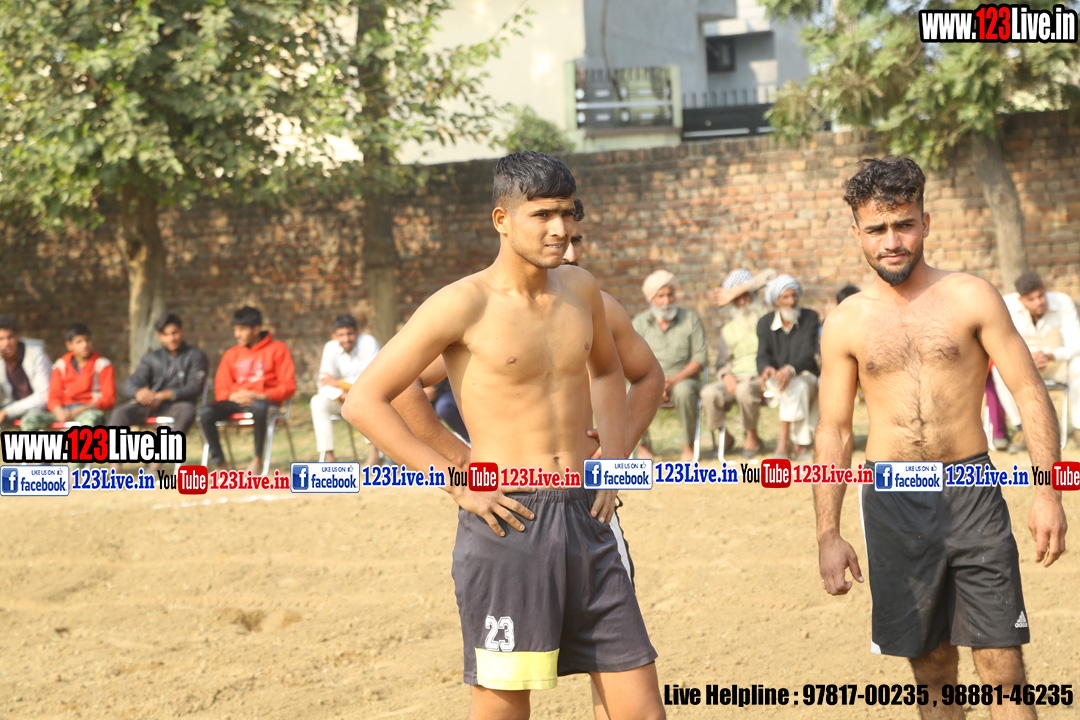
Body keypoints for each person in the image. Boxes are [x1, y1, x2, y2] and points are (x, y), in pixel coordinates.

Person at [343, 152, 664, 720]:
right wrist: (457, 477)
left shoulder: (582, 289)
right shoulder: (463, 303)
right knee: (504, 709)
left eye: (567, 213)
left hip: (588, 513)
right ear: (502, 220)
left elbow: (611, 372)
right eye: (542, 215)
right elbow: (365, 400)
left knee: (640, 708)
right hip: (508, 519)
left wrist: (615, 462)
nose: (559, 228)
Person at [815, 155, 1067, 718]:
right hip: (892, 496)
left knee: (1003, 665)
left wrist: (1047, 493)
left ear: (926, 223)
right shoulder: (847, 321)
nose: (892, 241)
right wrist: (828, 533)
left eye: (903, 224)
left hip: (971, 488)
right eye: (877, 229)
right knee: (930, 667)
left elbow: (1029, 392)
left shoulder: (972, 296)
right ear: (857, 233)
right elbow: (834, 430)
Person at [199, 306, 295, 473]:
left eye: (242, 329)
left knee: (259, 407)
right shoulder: (231, 354)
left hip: (265, 403)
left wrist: (262, 395)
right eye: (235, 329)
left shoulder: (278, 349)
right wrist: (232, 396)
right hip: (236, 402)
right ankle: (221, 465)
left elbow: (289, 387)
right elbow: (220, 388)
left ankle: (257, 460)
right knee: (205, 412)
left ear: (256, 329)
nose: (237, 334)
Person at [990, 271, 1080, 451]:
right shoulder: (1007, 305)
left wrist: (1050, 356)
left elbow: (1076, 344)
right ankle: (1022, 429)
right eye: (1031, 299)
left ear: (1045, 289)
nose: (1038, 302)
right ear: (1021, 300)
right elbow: (1002, 344)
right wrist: (1026, 359)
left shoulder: (1062, 302)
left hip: (1057, 363)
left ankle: (1078, 428)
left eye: (1040, 295)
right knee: (998, 371)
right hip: (1023, 365)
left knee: (1079, 364)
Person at [631, 270, 708, 462]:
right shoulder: (640, 322)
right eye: (661, 296)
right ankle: (643, 444)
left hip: (683, 378)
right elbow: (630, 357)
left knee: (684, 392)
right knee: (629, 392)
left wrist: (673, 380)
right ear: (652, 299)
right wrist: (653, 382)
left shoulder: (690, 319)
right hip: (648, 378)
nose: (667, 300)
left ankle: (689, 445)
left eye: (670, 294)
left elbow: (700, 357)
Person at [700, 268, 774, 459]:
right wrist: (726, 376)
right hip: (737, 376)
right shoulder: (728, 329)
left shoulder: (767, 316)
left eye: (745, 295)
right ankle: (726, 438)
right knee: (709, 393)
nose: (742, 302)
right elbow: (722, 363)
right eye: (736, 299)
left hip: (762, 376)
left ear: (753, 294)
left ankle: (752, 437)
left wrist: (736, 290)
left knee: (744, 390)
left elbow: (771, 275)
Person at [108, 312, 208, 443]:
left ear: (182, 331)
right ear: (159, 336)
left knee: (187, 411)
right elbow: (129, 384)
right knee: (120, 413)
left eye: (174, 333)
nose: (171, 338)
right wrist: (139, 393)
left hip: (178, 405)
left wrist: (163, 396)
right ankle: (116, 455)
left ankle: (164, 454)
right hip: (150, 406)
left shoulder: (195, 356)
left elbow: (194, 387)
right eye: (166, 334)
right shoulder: (151, 358)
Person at [757, 274, 819, 460]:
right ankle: (800, 445)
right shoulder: (764, 323)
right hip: (778, 379)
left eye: (794, 295)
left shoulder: (810, 318)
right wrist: (766, 368)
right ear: (776, 300)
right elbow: (762, 355)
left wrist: (790, 369)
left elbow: (808, 354)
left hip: (806, 374)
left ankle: (784, 441)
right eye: (785, 297)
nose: (791, 301)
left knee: (796, 386)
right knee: (790, 386)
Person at [312, 313, 380, 465]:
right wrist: (342, 395)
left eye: (350, 333)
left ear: (357, 332)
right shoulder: (330, 347)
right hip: (343, 399)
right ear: (334, 336)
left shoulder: (368, 343)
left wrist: (338, 383)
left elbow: (370, 381)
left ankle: (375, 454)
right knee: (317, 402)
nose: (346, 339)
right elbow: (323, 383)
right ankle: (328, 456)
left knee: (366, 401)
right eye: (341, 335)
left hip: (367, 398)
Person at [21, 323, 115, 429]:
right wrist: (58, 410)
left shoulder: (103, 364)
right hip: (65, 411)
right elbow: (53, 397)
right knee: (29, 421)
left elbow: (108, 399)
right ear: (69, 345)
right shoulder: (60, 365)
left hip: (90, 410)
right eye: (79, 342)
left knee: (88, 422)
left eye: (87, 340)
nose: (84, 345)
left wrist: (84, 408)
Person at [0, 315, 51, 426]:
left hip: (40, 408)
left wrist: (7, 411)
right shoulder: (2, 360)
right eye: (1, 339)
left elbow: (44, 396)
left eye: (10, 337)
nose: (6, 343)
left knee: (29, 422)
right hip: (14, 407)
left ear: (17, 336)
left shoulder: (36, 355)